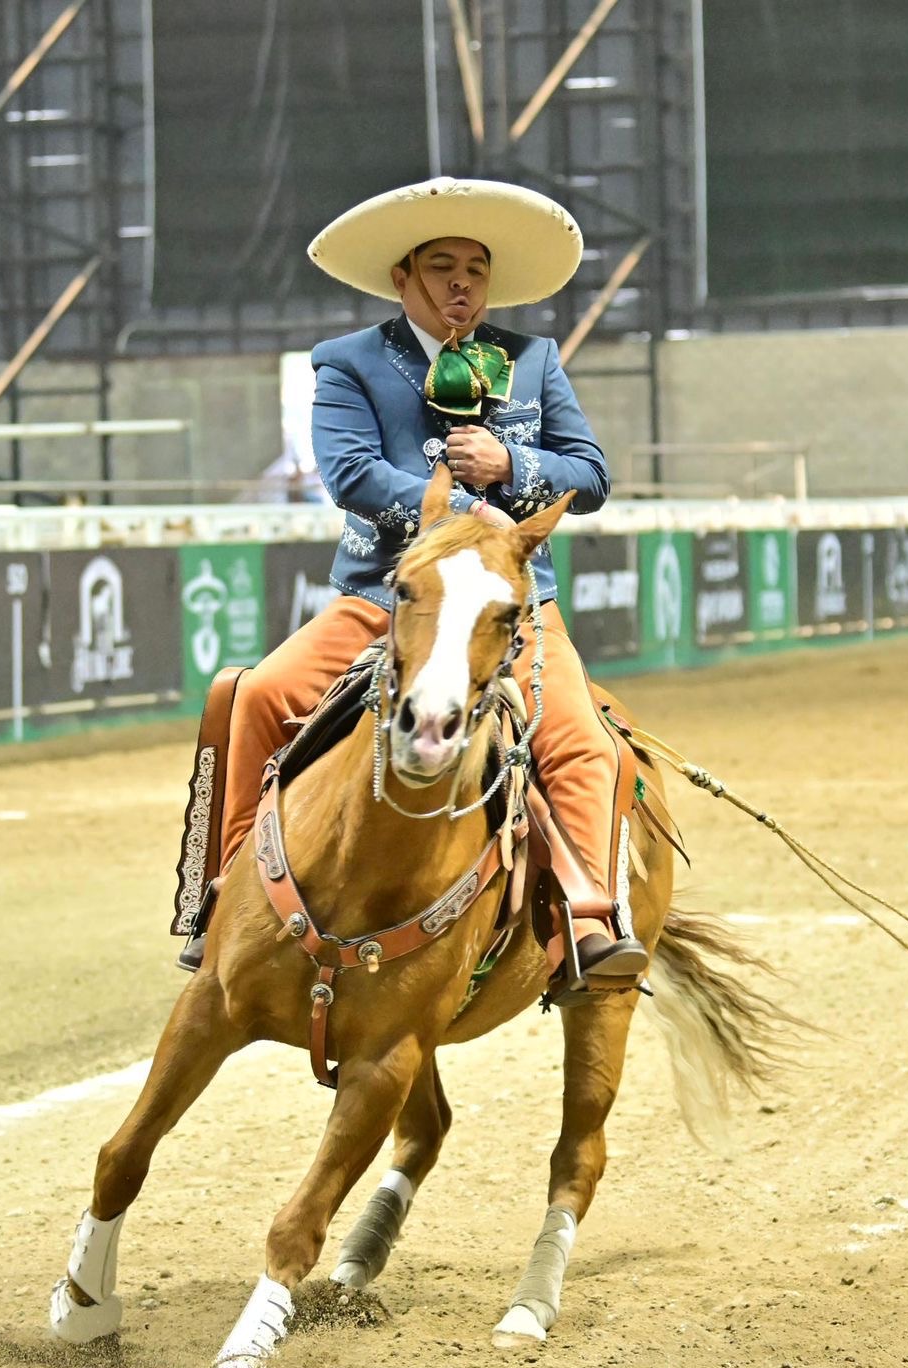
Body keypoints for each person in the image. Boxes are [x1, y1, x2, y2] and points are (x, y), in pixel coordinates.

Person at [179, 176, 648, 994]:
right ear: (403, 278)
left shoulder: (533, 360)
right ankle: (228, 898)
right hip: (385, 599)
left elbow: (594, 474)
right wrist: (471, 510)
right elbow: (353, 474)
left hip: (510, 607)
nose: (461, 281)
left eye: (475, 267)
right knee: (257, 697)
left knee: (582, 739)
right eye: (441, 266)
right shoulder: (350, 363)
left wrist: (516, 464)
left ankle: (588, 916)